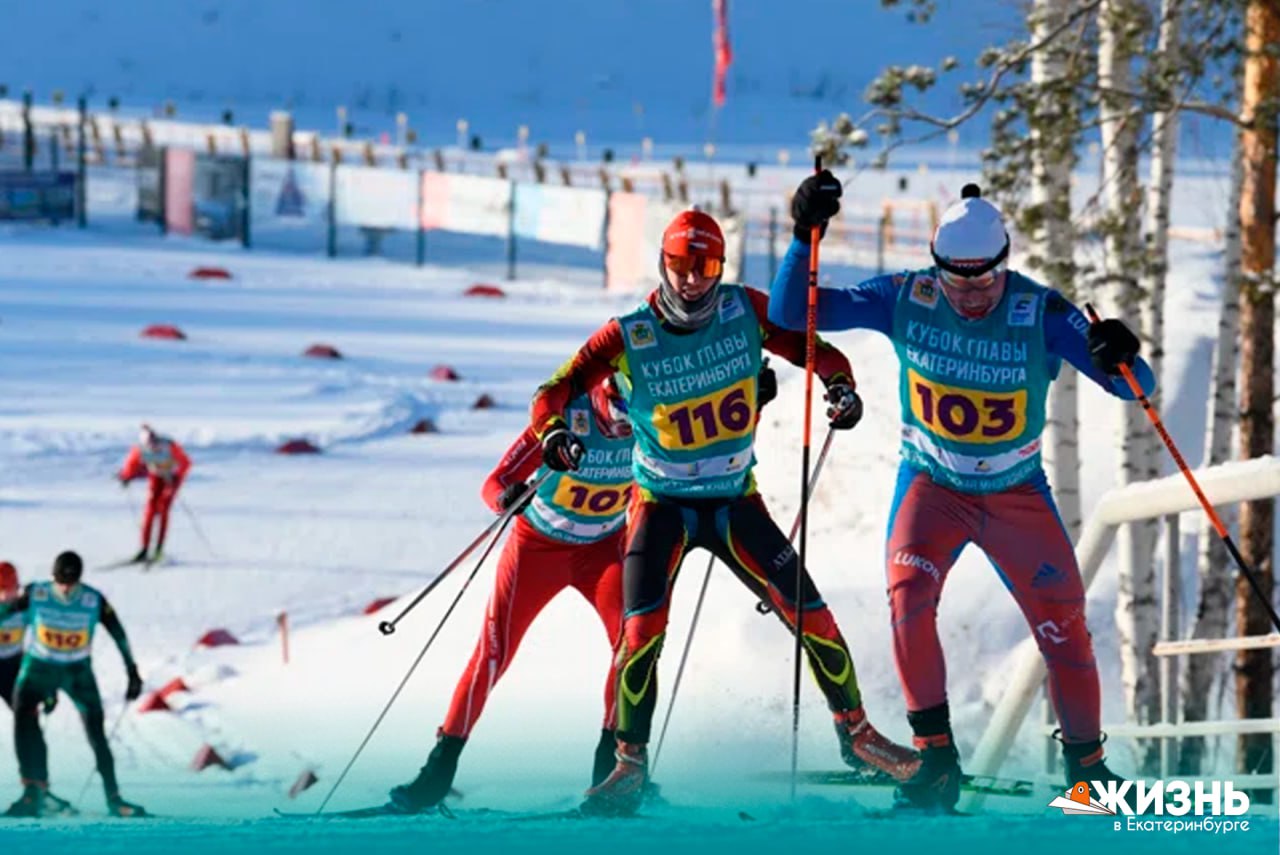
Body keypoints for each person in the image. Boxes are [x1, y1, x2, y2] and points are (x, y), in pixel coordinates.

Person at [769, 175, 1155, 812]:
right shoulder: (907, 295)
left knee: (1065, 629)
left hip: (1015, 494)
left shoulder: (1040, 310)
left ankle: (1088, 774)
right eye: (957, 281)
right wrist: (803, 236)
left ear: (1006, 263)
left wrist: (1120, 351)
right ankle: (936, 759)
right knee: (908, 598)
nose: (972, 295)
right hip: (932, 486)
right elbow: (792, 315)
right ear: (935, 264)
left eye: (985, 281)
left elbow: (1136, 389)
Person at [529, 209, 919, 817]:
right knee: (640, 635)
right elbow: (555, 387)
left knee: (811, 615)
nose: (691, 281)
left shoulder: (745, 311)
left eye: (704, 267)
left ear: (721, 269)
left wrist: (841, 390)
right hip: (661, 505)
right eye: (681, 266)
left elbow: (816, 349)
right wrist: (554, 432)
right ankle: (629, 764)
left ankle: (858, 737)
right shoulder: (630, 333)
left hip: (736, 501)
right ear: (663, 264)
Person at [388, 376, 635, 813]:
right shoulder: (568, 419)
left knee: (633, 647)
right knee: (493, 654)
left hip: (602, 550)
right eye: (617, 416)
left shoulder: (652, 422)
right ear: (604, 397)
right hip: (538, 548)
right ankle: (437, 773)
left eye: (632, 419)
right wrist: (508, 497)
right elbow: (494, 481)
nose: (624, 429)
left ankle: (611, 772)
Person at [0, 552, 145, 817]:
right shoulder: (37, 594)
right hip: (39, 668)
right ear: (52, 577)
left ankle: (115, 799)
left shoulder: (92, 600)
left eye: (71, 582)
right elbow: (6, 611)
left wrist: (132, 671)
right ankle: (32, 792)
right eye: (60, 582)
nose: (65, 589)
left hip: (77, 672)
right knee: (23, 717)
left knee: (96, 733)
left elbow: (118, 634)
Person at [117, 424, 191, 563]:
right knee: (150, 512)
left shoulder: (169, 445)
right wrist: (126, 477)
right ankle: (144, 549)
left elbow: (186, 463)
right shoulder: (139, 449)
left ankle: (158, 550)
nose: (153, 448)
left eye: (154, 444)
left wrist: (177, 477)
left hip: (170, 479)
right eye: (149, 446)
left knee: (163, 509)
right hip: (155, 477)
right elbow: (131, 465)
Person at [0, 563, 25, 710]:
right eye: (3, 590)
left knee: (23, 710)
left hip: (14, 664)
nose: (7, 596)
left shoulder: (23, 608)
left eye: (11, 590)